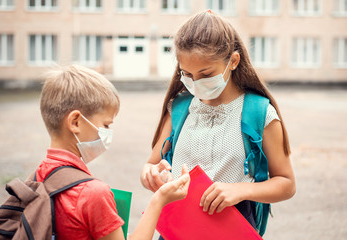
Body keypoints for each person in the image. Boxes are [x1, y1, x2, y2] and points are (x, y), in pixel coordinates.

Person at [140, 10, 296, 236]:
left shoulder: (259, 113)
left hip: (231, 229)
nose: (195, 83)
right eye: (187, 74)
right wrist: (150, 174)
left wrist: (240, 190)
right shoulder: (179, 108)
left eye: (206, 74)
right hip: (177, 228)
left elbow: (287, 183)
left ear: (233, 61)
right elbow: (150, 165)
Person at [37, 64, 190, 240]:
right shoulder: (92, 193)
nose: (108, 132)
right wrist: (159, 200)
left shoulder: (39, 177)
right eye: (106, 125)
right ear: (76, 122)